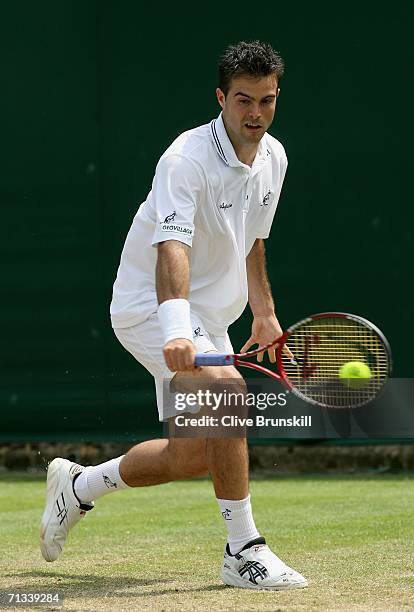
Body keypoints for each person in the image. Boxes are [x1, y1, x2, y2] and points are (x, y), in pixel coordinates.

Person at [40, 40, 308, 591]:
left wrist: (264, 312)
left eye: (266, 101)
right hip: (148, 307)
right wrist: (174, 329)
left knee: (191, 457)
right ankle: (244, 550)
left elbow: (254, 240)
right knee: (228, 393)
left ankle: (79, 486)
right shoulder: (185, 159)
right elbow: (172, 249)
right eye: (242, 101)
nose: (255, 114)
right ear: (220, 98)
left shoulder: (274, 157)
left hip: (209, 315)